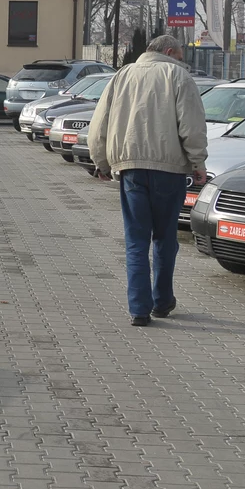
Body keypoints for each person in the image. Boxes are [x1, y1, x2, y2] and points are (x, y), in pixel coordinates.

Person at [88, 35, 208, 327]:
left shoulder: (122, 75)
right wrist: (198, 162)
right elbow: (191, 125)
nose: (181, 60)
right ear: (169, 52)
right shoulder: (178, 75)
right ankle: (162, 301)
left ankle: (138, 309)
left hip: (130, 169)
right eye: (180, 55)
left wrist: (101, 161)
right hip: (169, 169)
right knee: (166, 238)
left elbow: (99, 122)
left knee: (136, 240)